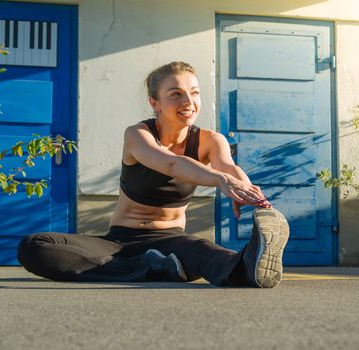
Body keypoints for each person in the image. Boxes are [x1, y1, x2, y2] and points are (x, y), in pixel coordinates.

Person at [17, 62, 289, 288]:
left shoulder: (210, 140)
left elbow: (227, 166)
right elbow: (170, 164)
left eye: (194, 93)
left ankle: (251, 262)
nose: (188, 102)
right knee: (35, 247)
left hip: (171, 242)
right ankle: (150, 268)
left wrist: (245, 188)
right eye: (176, 94)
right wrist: (219, 180)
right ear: (154, 102)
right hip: (118, 242)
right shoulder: (138, 135)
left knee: (209, 255)